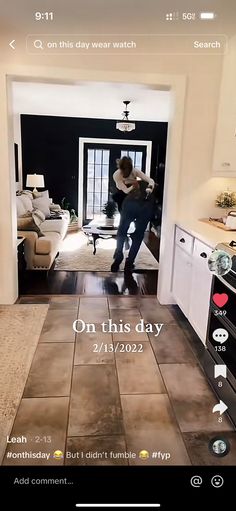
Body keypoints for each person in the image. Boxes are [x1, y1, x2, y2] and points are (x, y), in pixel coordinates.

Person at [111, 180, 156, 272]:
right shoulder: (152, 187)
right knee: (138, 235)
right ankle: (130, 262)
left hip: (130, 204)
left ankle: (119, 256)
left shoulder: (130, 186)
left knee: (122, 230)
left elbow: (118, 196)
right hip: (146, 206)